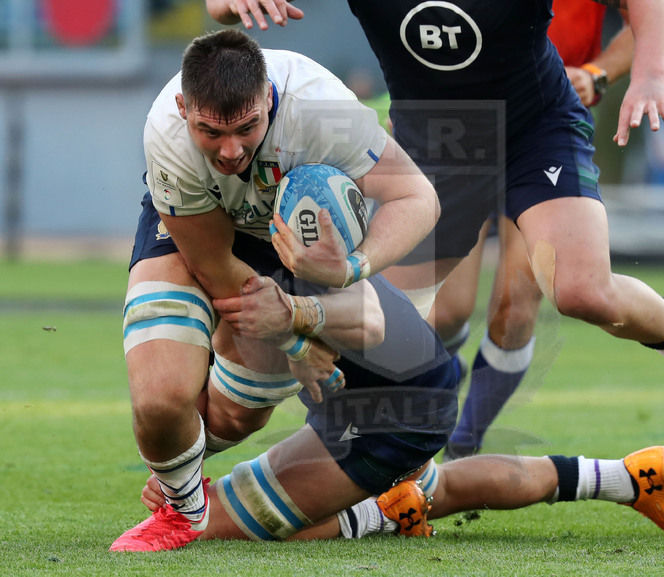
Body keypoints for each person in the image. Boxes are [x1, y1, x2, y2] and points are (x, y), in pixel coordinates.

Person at [207, 0, 664, 433]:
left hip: (536, 131)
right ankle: (385, 459)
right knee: (375, 330)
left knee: (581, 291)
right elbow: (218, 8)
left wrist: (650, 75)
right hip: (433, 155)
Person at [112, 27, 441, 549]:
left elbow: (417, 198)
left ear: (268, 98)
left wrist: (354, 267)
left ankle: (183, 473)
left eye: (247, 127)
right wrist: (296, 339)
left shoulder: (323, 108)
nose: (231, 149)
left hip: (291, 246)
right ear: (183, 108)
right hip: (201, 228)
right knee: (160, 399)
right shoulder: (166, 133)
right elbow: (214, 264)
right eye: (210, 132)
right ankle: (183, 512)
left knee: (235, 414)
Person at [118, 273, 664, 551]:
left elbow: (240, 410)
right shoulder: (329, 249)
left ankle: (384, 512)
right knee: (437, 486)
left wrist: (182, 479)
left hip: (388, 415)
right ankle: (627, 477)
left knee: (213, 518)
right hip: (402, 398)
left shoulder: (268, 284)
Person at [435, 1, 636, 460]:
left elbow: (647, 22)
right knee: (445, 312)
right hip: (459, 128)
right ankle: (431, 407)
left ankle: (461, 449)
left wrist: (597, 73)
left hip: (543, 132)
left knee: (516, 306)